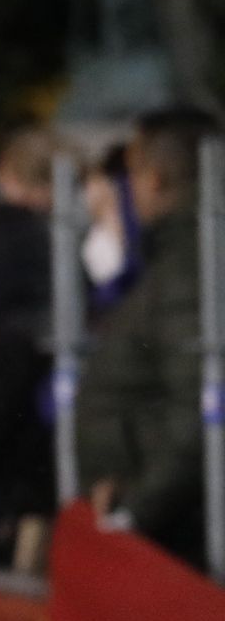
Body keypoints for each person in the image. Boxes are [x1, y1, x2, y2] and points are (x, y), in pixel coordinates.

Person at [78, 106, 220, 564]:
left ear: (155, 177)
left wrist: (134, 512)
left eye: (133, 171)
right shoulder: (180, 258)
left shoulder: (191, 268)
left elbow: (203, 406)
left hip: (176, 542)